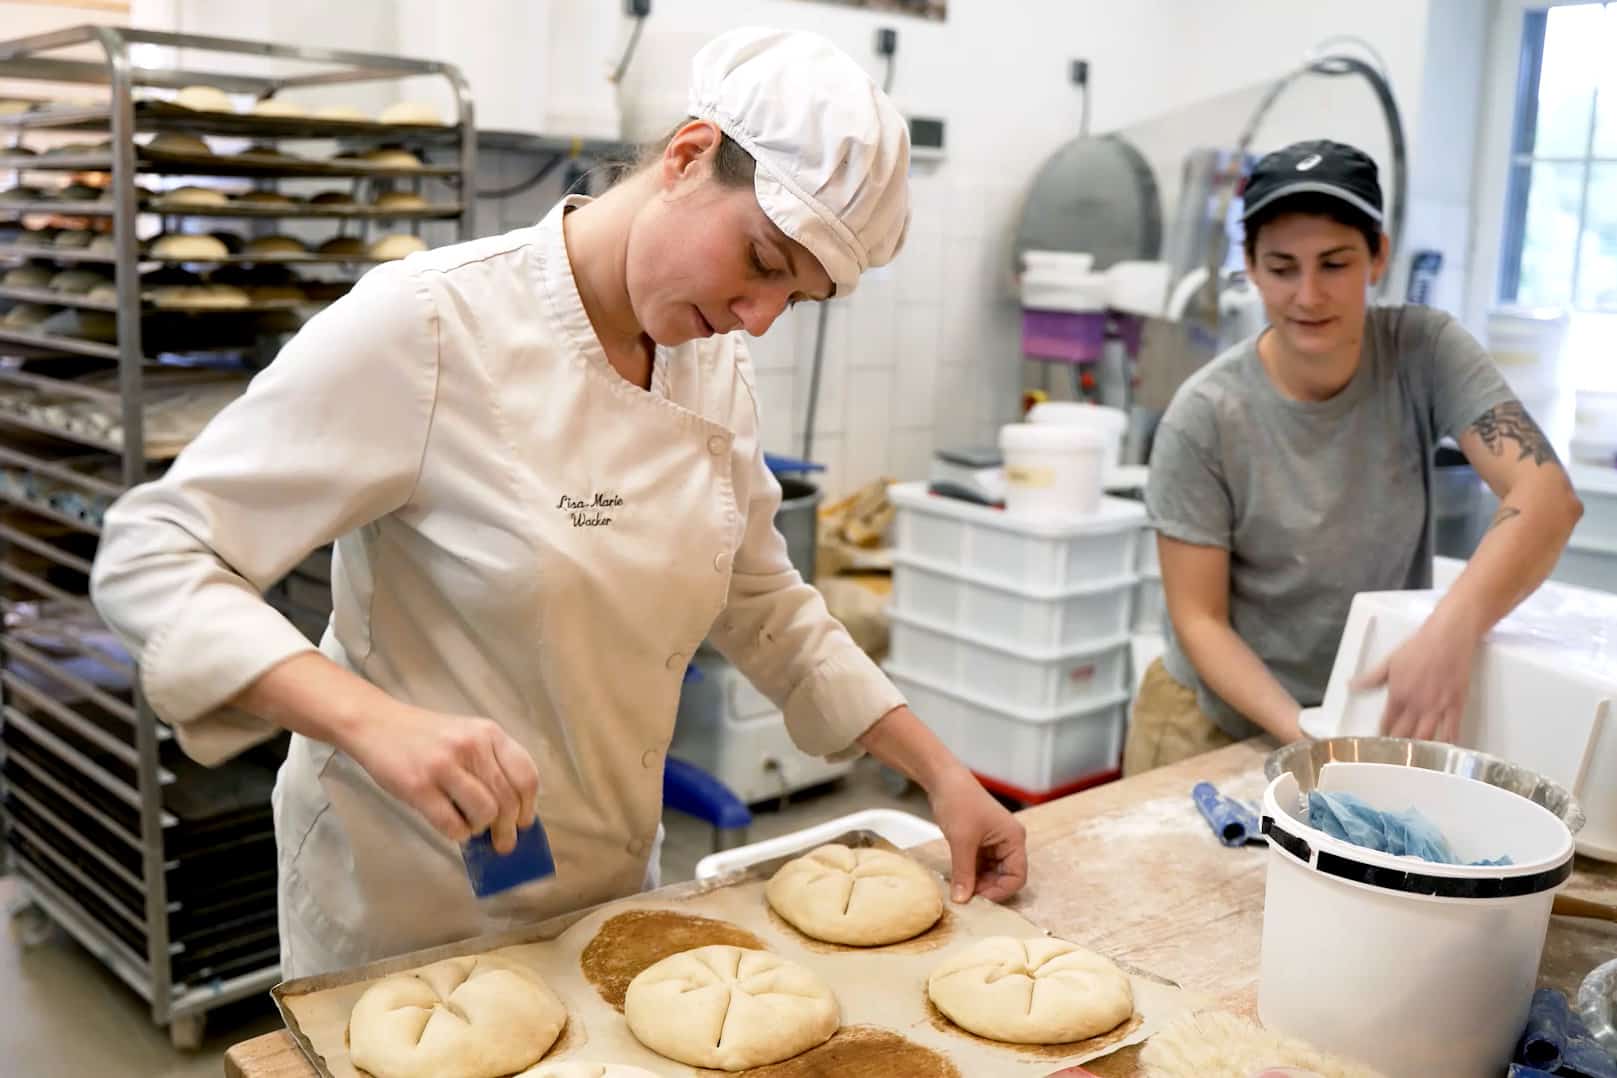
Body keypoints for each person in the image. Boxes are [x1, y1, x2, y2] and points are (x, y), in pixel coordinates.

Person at [90, 27, 1027, 977]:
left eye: (797, 296)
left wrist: (939, 774)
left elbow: (761, 597)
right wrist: (370, 721)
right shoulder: (433, 322)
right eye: (761, 259)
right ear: (689, 156)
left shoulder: (710, 358)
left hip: (608, 881)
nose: (758, 317)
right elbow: (152, 553)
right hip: (410, 901)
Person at [1125, 139, 1583, 775]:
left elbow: (1547, 498)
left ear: (1378, 257)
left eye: (1334, 264)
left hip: (1351, 718)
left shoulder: (1423, 351)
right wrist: (1310, 735)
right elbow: (1200, 621)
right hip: (1210, 724)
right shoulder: (1204, 417)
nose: (1309, 296)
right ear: (1251, 269)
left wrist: (1452, 629)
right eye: (1282, 268)